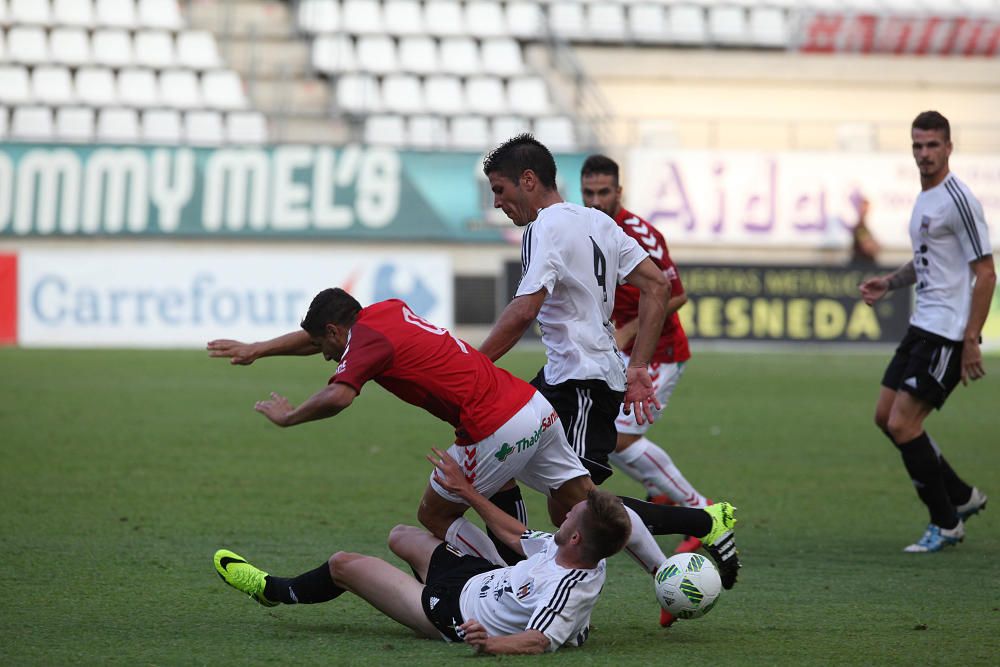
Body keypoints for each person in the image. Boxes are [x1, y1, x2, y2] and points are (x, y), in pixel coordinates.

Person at [207, 288, 736, 581]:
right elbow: (315, 338)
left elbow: (341, 394)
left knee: (433, 516)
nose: (324, 355)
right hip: (531, 405)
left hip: (491, 427)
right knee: (586, 503)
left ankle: (507, 587)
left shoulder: (360, 343)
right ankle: (669, 577)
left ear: (338, 332)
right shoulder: (384, 312)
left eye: (326, 346)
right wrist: (259, 348)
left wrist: (291, 416)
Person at [477, 135, 739, 601]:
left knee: (578, 509)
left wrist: (471, 365)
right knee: (498, 453)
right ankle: (517, 572)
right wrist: (637, 366)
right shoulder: (598, 222)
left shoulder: (544, 229)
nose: (497, 202)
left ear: (529, 180)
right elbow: (656, 285)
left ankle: (702, 524)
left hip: (583, 383)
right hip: (569, 377)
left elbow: (522, 310)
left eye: (499, 190)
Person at [213, 450, 632, 655]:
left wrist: (490, 645)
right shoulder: (568, 551)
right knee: (401, 536)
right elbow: (513, 531)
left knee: (343, 565)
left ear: (576, 538)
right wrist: (465, 490)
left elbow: (539, 640)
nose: (563, 515)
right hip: (475, 578)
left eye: (570, 516)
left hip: (451, 612)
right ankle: (405, 592)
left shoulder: (568, 585)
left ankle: (273, 591)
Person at [859, 111, 994, 553]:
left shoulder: (959, 200)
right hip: (923, 325)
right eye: (917, 146)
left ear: (949, 147)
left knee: (903, 423)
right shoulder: (924, 199)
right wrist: (890, 283)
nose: (924, 154)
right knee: (885, 417)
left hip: (948, 332)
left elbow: (986, 273)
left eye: (932, 145)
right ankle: (959, 495)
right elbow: (926, 262)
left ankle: (946, 522)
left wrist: (972, 338)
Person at [580, 154, 712, 558]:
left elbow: (677, 294)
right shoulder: (583, 226)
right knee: (594, 436)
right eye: (589, 192)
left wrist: (628, 331)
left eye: (604, 192)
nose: (597, 200)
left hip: (659, 352)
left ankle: (700, 510)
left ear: (620, 192)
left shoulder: (640, 233)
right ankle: (660, 494)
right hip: (620, 352)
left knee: (620, 438)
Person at [850, 194, 881, 269]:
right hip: (861, 266)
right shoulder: (860, 227)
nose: (866, 211)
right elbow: (867, 247)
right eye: (863, 208)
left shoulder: (864, 227)